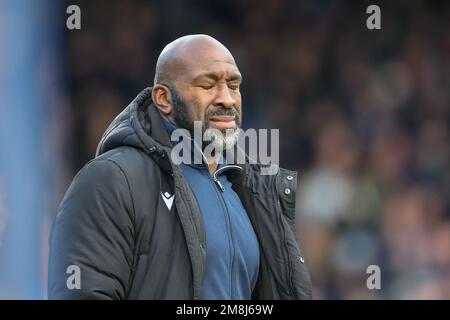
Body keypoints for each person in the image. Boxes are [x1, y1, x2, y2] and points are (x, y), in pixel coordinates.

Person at [48, 34, 312, 299]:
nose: (227, 99)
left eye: (233, 85)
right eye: (208, 86)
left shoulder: (254, 191)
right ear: (164, 98)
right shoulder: (111, 180)